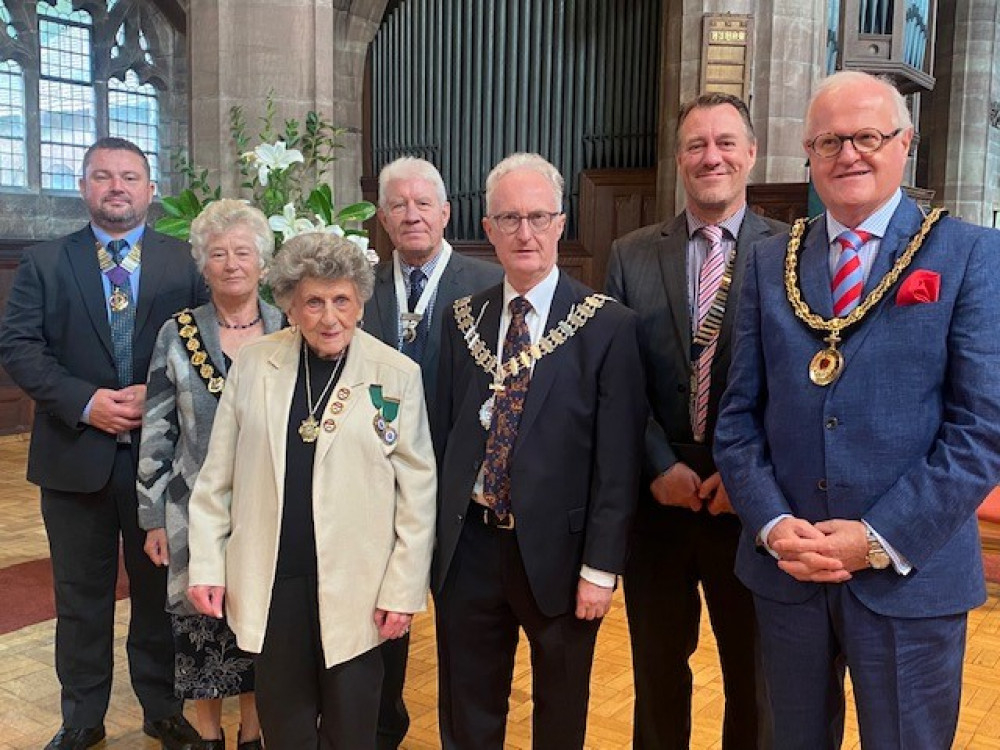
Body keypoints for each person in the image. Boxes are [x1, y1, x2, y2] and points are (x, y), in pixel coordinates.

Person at [714, 70, 1000, 749]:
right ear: (808, 156)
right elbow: (737, 420)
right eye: (829, 141)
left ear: (906, 144)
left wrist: (876, 538)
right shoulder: (766, 262)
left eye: (868, 136)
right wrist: (776, 524)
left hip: (911, 576)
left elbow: (981, 430)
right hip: (789, 573)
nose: (849, 154)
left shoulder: (968, 255)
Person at [186, 231, 437, 748]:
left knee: (352, 731)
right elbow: (216, 480)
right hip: (273, 581)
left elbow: (418, 494)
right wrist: (207, 565)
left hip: (359, 588)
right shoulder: (255, 365)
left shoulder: (396, 374)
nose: (330, 318)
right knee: (286, 730)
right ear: (291, 307)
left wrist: (403, 588)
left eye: (342, 300)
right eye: (313, 302)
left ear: (361, 303)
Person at [432, 152, 647, 749]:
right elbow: (448, 436)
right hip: (470, 546)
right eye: (508, 219)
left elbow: (618, 464)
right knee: (468, 705)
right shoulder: (462, 321)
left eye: (537, 217)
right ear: (488, 230)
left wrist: (601, 569)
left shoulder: (607, 326)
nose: (523, 233)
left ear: (560, 222)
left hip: (562, 551)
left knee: (559, 709)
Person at [0, 138, 207, 750]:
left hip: (161, 457)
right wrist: (85, 403)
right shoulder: (45, 264)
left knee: (155, 595)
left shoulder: (185, 263)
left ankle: (162, 706)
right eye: (102, 176)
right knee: (80, 597)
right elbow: (19, 348)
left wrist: (158, 391)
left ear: (150, 190)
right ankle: (82, 717)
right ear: (84, 187)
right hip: (73, 455)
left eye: (129, 177)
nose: (116, 186)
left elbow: (205, 345)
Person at [606, 92, 784, 750]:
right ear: (679, 159)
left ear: (751, 153)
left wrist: (747, 477)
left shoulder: (792, 250)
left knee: (754, 677)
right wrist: (658, 467)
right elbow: (618, 382)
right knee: (656, 673)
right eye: (696, 145)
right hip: (659, 500)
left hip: (753, 501)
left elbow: (798, 387)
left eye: (726, 142)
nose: (712, 156)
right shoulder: (630, 254)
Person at [365, 156, 501, 749]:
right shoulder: (360, 290)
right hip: (373, 488)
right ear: (383, 217)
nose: (412, 214)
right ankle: (381, 726)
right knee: (379, 622)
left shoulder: (488, 286)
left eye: (424, 204)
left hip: (457, 493)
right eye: (399, 204)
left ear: (446, 213)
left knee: (461, 636)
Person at [136, 200, 283, 749]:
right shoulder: (178, 333)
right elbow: (156, 429)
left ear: (263, 264)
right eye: (217, 253)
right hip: (191, 513)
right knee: (200, 636)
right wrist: (152, 517)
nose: (231, 263)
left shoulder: (288, 328)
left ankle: (253, 732)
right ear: (204, 265)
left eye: (243, 252)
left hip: (268, 512)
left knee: (259, 629)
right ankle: (207, 735)